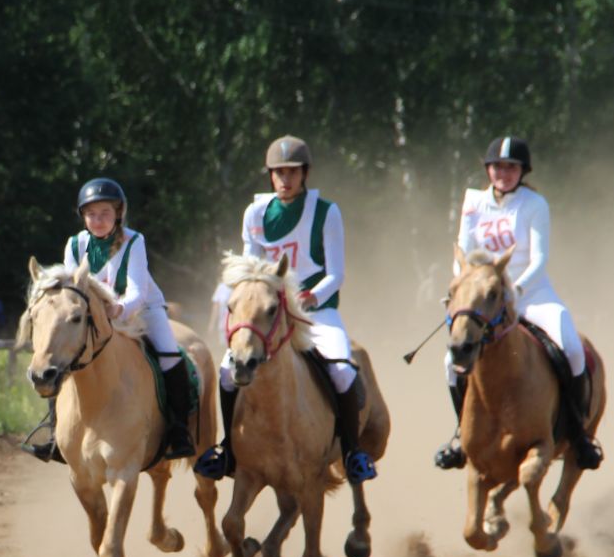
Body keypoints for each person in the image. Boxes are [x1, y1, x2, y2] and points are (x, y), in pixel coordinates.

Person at [195, 136, 374, 483]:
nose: (285, 180)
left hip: (315, 312)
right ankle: (227, 450)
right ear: (270, 176)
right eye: (278, 173)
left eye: (292, 172)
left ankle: (352, 452)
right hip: (268, 315)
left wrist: (309, 297)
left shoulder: (326, 211)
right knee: (228, 371)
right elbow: (251, 266)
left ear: (304, 173)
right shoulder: (256, 213)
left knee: (342, 372)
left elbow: (336, 274)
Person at [431, 137, 603, 471]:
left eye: (512, 167)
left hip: (530, 293)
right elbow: (462, 256)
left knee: (571, 346)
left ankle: (578, 434)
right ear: (488, 169)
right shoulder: (473, 203)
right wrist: (465, 289)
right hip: (482, 301)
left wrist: (515, 291)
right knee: (450, 362)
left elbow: (539, 258)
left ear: (522, 171)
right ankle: (461, 436)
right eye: (498, 166)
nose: (504, 173)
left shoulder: (534, 204)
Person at [25, 177, 196, 463]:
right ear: (83, 217)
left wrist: (118, 309)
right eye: (91, 214)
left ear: (118, 213)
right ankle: (56, 434)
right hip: (93, 315)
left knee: (169, 354)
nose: (98, 220)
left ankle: (179, 430)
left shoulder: (133, 241)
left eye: (105, 213)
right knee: (63, 359)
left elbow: (138, 292)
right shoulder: (75, 244)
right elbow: (72, 290)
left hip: (140, 309)